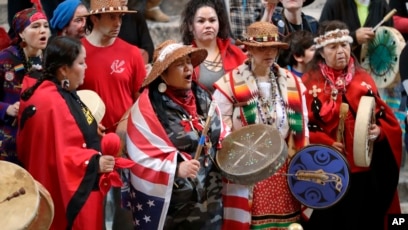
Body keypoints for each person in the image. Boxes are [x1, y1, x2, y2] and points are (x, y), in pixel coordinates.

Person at [300, 20, 401, 230]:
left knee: (365, 219)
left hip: (363, 170)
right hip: (327, 171)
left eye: (344, 45)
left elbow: (385, 117)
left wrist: (380, 132)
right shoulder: (310, 82)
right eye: (333, 47)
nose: (340, 52)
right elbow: (303, 124)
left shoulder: (363, 79)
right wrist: (325, 141)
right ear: (321, 52)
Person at [213, 21, 309, 229]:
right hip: (248, 167)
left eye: (273, 47)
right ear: (248, 49)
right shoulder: (229, 84)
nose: (269, 53)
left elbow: (304, 124)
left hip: (285, 166)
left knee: (288, 224)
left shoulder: (291, 82)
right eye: (262, 48)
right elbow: (220, 125)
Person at [123, 40, 229, 229]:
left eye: (188, 61)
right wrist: (176, 167)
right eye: (180, 64)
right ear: (163, 75)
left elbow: (219, 132)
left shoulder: (203, 97)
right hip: (175, 207)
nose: (188, 67)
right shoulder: (148, 110)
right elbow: (140, 158)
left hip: (211, 198)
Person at [17, 36, 116, 230]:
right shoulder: (54, 104)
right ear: (63, 69)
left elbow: (62, 138)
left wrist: (90, 131)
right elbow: (63, 154)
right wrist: (95, 162)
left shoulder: (42, 89)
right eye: (81, 62)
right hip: (67, 193)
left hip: (42, 187)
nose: (86, 67)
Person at [80, 0, 146, 133]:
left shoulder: (132, 53)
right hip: (89, 136)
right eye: (112, 17)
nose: (118, 23)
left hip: (127, 135)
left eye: (120, 16)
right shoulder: (77, 52)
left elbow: (141, 99)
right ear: (94, 19)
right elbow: (70, 98)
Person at [0, 7, 50, 164]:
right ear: (21, 33)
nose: (43, 31)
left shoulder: (52, 58)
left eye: (45, 26)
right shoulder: (4, 59)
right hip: (9, 142)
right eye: (35, 26)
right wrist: (6, 108)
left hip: (41, 139)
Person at [180, 0, 247, 93]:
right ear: (190, 26)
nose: (208, 25)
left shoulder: (234, 52)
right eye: (201, 21)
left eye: (212, 20)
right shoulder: (183, 56)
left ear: (219, 23)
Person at [319, 0, 392, 61]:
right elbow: (322, 41)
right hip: (341, 71)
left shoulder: (381, 4)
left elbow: (390, 38)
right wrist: (353, 38)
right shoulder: (334, 4)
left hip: (374, 69)